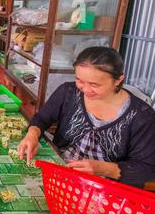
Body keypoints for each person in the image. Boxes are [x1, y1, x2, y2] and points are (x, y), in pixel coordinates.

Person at [18, 46, 155, 189]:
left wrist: (104, 169)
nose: (85, 89)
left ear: (118, 80)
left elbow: (147, 168)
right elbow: (42, 118)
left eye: (94, 84)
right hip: (63, 170)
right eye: (80, 80)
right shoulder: (68, 92)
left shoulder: (142, 116)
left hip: (108, 187)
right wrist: (32, 134)